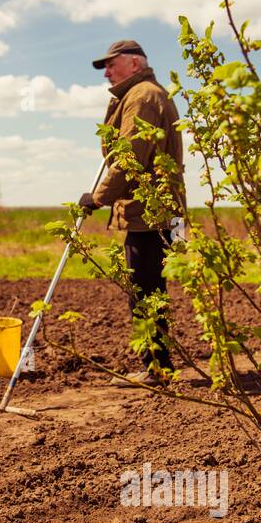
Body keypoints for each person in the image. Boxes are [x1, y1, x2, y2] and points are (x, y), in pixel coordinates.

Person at [78, 40, 186, 387]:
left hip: (150, 211)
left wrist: (97, 198)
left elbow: (131, 158)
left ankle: (156, 368)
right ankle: (159, 365)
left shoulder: (141, 97)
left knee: (144, 291)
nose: (107, 72)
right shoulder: (138, 95)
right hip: (151, 210)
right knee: (149, 288)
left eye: (112, 64)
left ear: (135, 63)